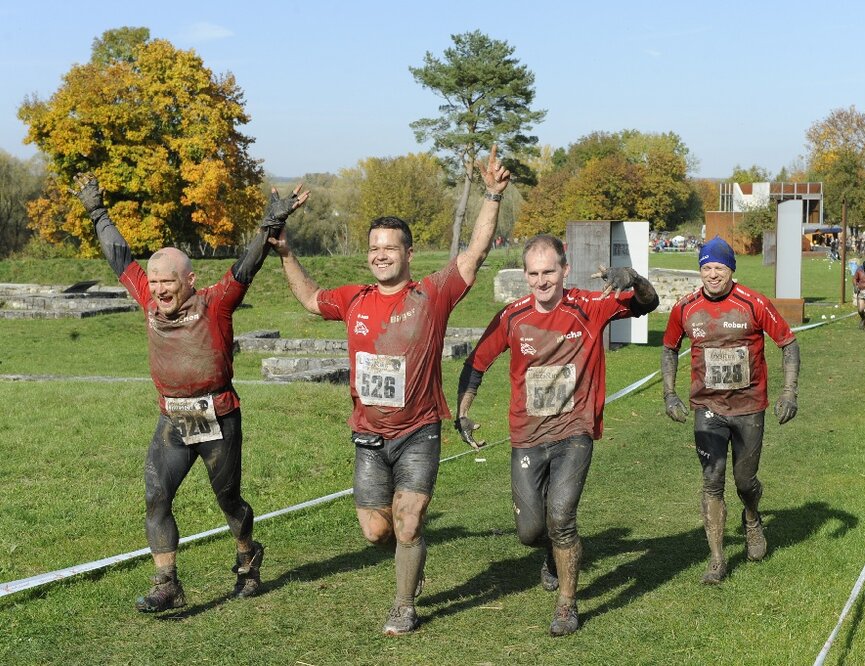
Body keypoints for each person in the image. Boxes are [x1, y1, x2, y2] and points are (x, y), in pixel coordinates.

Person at [270, 147, 510, 636]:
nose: (380, 254)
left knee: (408, 521)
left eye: (390, 247)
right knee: (377, 530)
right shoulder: (354, 299)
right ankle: (409, 561)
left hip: (419, 431)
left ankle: (404, 604)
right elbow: (312, 298)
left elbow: (476, 251)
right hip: (369, 437)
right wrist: (287, 253)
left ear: (407, 253)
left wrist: (491, 195)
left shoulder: (431, 294)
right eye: (374, 247)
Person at [73, 174, 308, 612]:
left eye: (169, 282)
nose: (160, 289)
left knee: (228, 500)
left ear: (190, 280)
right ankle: (167, 583)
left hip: (218, 417)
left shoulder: (215, 302)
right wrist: (96, 211)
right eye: (156, 281)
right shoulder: (147, 299)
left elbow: (246, 265)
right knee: (156, 494)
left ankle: (247, 556)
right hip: (174, 419)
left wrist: (268, 225)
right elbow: (119, 257)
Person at [454, 235, 658, 637]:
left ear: (565, 271)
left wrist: (633, 276)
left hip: (574, 431)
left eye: (549, 271)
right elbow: (476, 363)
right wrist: (463, 412)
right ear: (525, 275)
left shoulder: (589, 306)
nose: (542, 281)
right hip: (527, 434)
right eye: (534, 273)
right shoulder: (511, 317)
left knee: (561, 516)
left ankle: (566, 604)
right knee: (531, 531)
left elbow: (647, 303)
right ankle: (549, 552)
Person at [661, 236, 799, 585]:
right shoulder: (686, 308)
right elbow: (667, 349)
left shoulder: (753, 303)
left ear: (731, 270)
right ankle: (717, 559)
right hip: (707, 407)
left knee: (744, 481)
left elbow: (788, 343)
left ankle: (751, 517)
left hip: (749, 406)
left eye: (718, 268)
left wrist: (789, 392)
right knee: (711, 481)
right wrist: (669, 395)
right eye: (706, 268)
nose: (711, 275)